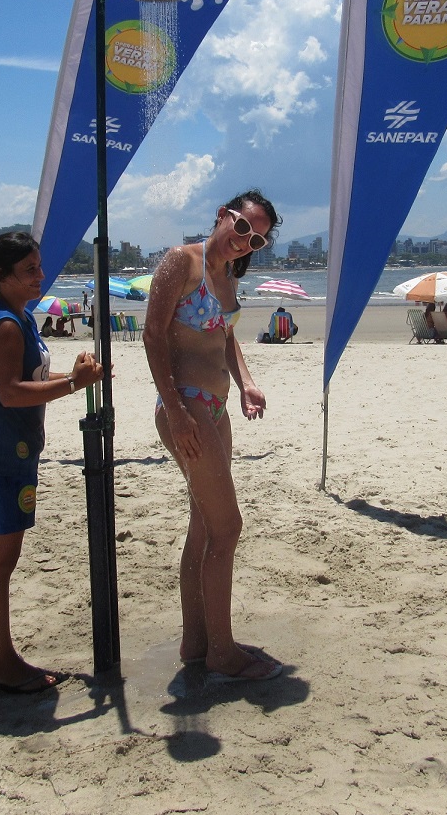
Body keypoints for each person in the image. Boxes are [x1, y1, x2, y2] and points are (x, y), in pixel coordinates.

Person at [0, 232, 102, 693]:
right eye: (30, 270)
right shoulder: (4, 325)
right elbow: (11, 393)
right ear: (1, 276)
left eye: (40, 266)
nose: (41, 275)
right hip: (0, 457)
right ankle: (3, 662)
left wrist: (77, 376)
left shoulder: (16, 317)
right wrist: (75, 386)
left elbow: (28, 376)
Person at [143, 190, 283, 682]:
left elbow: (225, 338)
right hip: (186, 406)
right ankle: (222, 651)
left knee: (204, 527)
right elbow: (153, 335)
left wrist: (246, 381)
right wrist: (177, 411)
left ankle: (197, 641)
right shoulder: (183, 262)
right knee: (227, 528)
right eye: (243, 227)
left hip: (217, 407)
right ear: (224, 216)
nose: (246, 241)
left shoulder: (225, 277)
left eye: (258, 239)